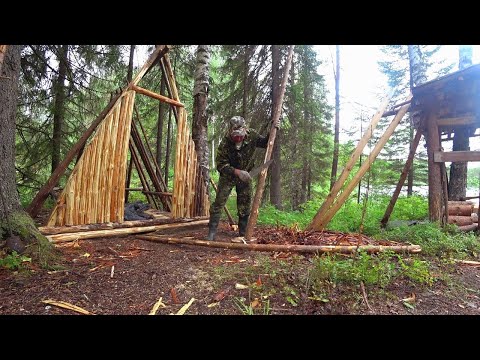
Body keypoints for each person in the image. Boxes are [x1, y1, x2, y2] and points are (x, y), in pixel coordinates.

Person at [207, 116, 270, 241]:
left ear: (245, 130)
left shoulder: (251, 135)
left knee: (245, 204)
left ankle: (242, 233)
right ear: (230, 132)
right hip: (228, 176)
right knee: (218, 203)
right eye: (236, 136)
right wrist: (236, 172)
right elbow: (221, 165)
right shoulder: (225, 143)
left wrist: (272, 129)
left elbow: (265, 143)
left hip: (245, 176)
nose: (239, 138)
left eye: (241, 135)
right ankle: (212, 232)